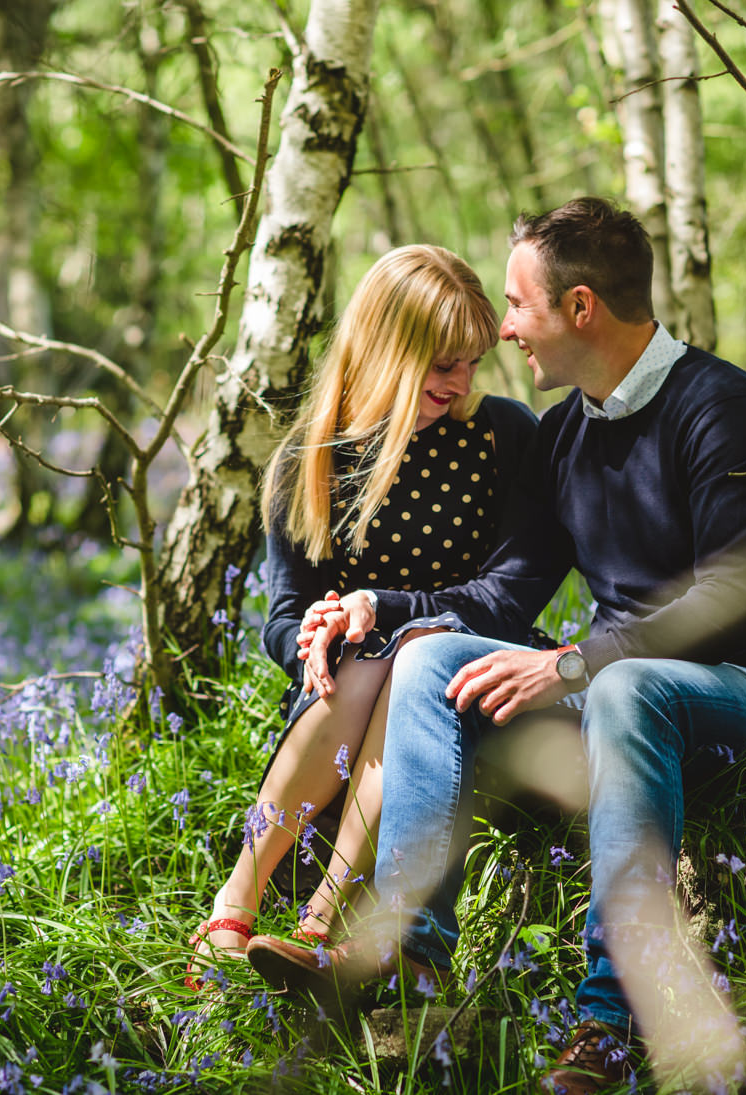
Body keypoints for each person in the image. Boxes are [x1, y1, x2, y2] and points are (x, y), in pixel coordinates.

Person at [246, 198, 746, 1092]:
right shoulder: (564, 436)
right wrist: (381, 604)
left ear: (581, 308)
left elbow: (732, 609)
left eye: (519, 306)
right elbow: (507, 591)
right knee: (430, 652)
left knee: (629, 686)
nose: (507, 329)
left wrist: (571, 663)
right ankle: (412, 957)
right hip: (619, 705)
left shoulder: (725, 411)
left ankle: (610, 1014)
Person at [184, 244, 539, 989]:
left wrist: (386, 613)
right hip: (338, 696)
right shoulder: (310, 457)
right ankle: (246, 900)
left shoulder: (503, 436)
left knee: (404, 652)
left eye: (472, 362)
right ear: (388, 349)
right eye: (443, 363)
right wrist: (313, 633)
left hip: (461, 673)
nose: (461, 382)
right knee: (370, 656)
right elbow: (281, 617)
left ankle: (312, 913)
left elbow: (509, 594)